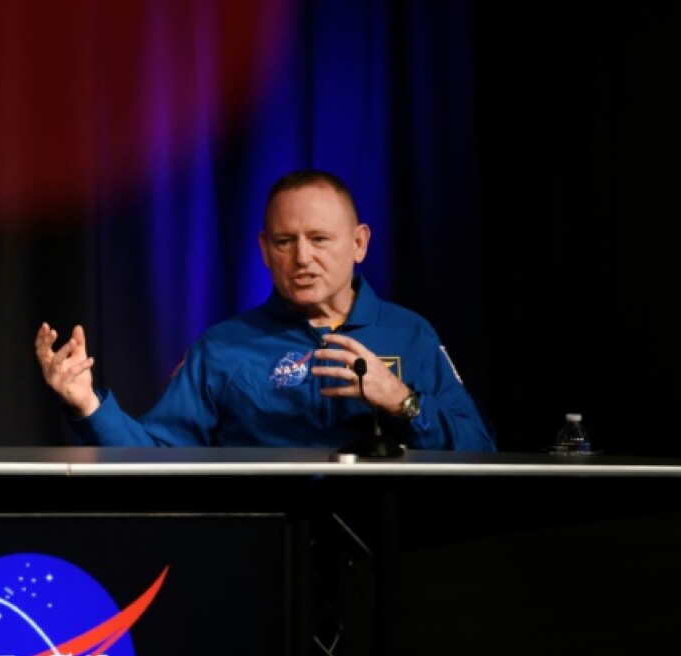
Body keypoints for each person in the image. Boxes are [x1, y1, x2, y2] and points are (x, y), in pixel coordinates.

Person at [34, 168, 496, 452]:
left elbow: (479, 449)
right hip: (267, 559)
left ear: (359, 243)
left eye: (319, 239)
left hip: (394, 555)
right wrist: (88, 406)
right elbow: (155, 456)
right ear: (264, 249)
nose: (301, 258)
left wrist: (401, 400)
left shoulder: (410, 334)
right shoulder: (223, 349)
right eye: (284, 241)